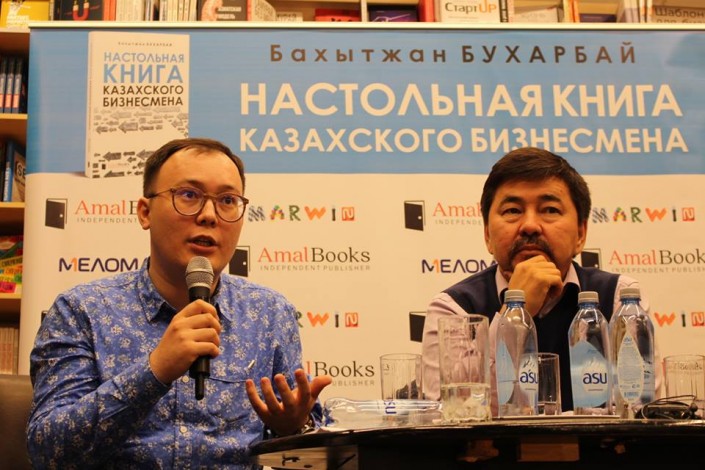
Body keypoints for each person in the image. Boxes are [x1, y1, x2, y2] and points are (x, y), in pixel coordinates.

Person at [27, 138, 332, 468]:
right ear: (145, 212)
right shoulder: (81, 311)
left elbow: (309, 451)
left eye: (227, 200)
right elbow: (47, 451)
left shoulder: (269, 313)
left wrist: (294, 428)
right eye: (189, 195)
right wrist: (154, 370)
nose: (209, 215)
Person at [421, 146, 660, 414]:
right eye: (512, 210)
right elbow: (450, 414)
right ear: (487, 234)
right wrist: (515, 314)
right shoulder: (453, 309)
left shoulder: (621, 299)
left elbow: (637, 411)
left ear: (581, 233)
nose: (530, 226)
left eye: (550, 210)